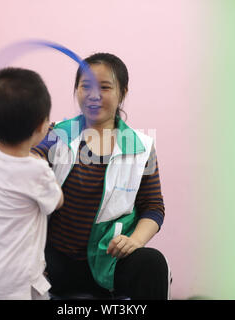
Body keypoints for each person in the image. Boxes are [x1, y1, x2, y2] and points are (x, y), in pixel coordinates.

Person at [32, 53, 170, 300]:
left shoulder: (141, 147)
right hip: (54, 260)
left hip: (109, 260)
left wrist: (135, 240)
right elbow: (34, 156)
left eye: (104, 87)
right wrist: (36, 162)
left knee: (153, 263)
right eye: (85, 86)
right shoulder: (59, 132)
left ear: (122, 93)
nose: (94, 95)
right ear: (77, 90)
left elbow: (153, 207)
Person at [0, 67, 64, 300]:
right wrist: (42, 164)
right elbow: (57, 201)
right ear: (40, 126)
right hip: (20, 285)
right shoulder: (37, 170)